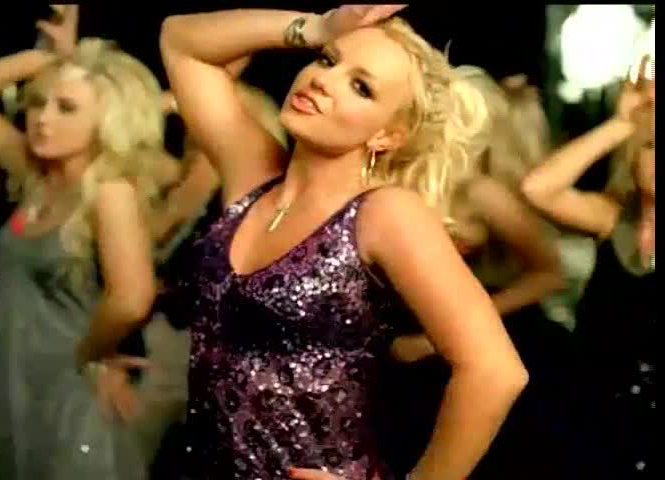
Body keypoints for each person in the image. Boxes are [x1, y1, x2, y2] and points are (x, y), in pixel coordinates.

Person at [160, 6, 528, 479]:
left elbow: (495, 371)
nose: (322, 80)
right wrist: (316, 27)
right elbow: (182, 40)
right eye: (327, 60)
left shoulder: (386, 213)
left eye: (361, 87)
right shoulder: (252, 174)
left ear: (387, 135)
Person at [0, 6, 160, 479]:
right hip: (5, 371)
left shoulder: (110, 192)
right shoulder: (34, 174)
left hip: (66, 383)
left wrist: (91, 354)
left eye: (66, 108)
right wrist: (46, 60)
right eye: (39, 102)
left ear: (106, 120)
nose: (42, 119)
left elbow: (132, 298)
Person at [384, 67, 572, 479]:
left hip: (467, 339)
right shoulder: (389, 177)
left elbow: (549, 274)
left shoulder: (479, 192)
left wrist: (433, 340)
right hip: (396, 343)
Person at [521, 57, 655, 479]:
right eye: (652, 146)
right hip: (592, 406)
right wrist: (621, 124)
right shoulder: (613, 217)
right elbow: (537, 188)